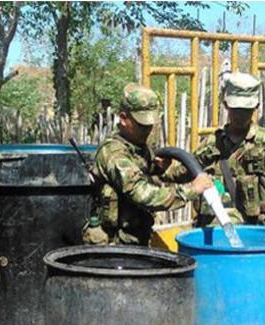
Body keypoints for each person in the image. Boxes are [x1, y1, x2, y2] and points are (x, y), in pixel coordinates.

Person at [83, 83, 212, 245]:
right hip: (114, 245)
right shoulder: (114, 153)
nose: (147, 130)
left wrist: (159, 169)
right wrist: (192, 190)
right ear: (123, 118)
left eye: (150, 125)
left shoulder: (137, 147)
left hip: (136, 239)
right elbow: (141, 193)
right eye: (142, 125)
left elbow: (151, 172)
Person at [165, 73, 265, 227]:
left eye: (245, 110)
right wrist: (160, 169)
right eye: (236, 109)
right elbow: (183, 173)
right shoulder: (210, 146)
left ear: (256, 107)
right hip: (214, 233)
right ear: (226, 105)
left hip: (255, 232)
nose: (240, 116)